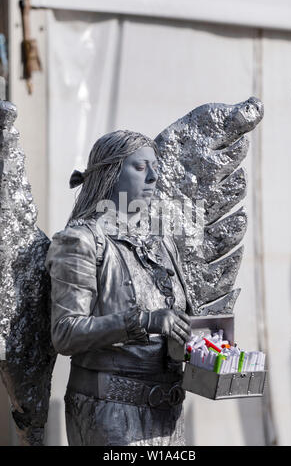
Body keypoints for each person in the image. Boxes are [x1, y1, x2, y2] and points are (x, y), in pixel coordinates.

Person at [46, 130, 192, 446]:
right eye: (140, 167)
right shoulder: (80, 241)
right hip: (109, 415)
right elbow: (65, 332)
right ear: (111, 173)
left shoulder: (164, 242)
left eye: (155, 167)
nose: (154, 176)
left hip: (168, 419)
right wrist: (142, 321)